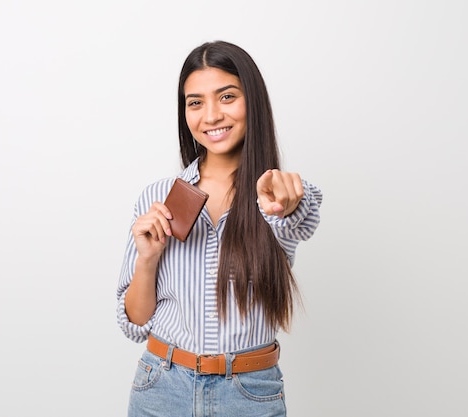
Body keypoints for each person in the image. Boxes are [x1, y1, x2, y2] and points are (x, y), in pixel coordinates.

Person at [116, 40, 323, 417]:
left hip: (248, 393)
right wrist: (147, 259)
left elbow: (298, 213)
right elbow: (135, 322)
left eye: (226, 97)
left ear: (252, 101)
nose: (210, 115)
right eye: (195, 102)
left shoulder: (274, 193)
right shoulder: (159, 196)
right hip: (161, 387)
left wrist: (285, 204)